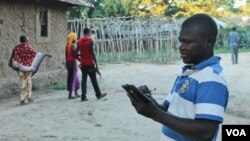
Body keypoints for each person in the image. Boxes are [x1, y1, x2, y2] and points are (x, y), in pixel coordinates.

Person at [126, 13, 229, 141]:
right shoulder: (188, 73)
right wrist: (148, 100)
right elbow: (167, 110)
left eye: (188, 42)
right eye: (181, 41)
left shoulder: (212, 78)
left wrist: (154, 114)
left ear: (208, 42)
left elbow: (206, 132)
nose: (181, 47)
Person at [9, 35, 51, 105]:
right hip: (27, 69)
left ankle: (28, 97)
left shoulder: (16, 47)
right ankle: (23, 100)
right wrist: (43, 55)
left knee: (25, 83)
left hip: (20, 69)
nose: (28, 40)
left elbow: (13, 57)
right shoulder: (28, 46)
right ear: (26, 40)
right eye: (27, 39)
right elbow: (35, 54)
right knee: (27, 83)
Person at [77, 27, 107, 101]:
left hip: (83, 64)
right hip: (90, 64)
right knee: (94, 80)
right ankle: (98, 94)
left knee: (84, 80)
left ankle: (83, 96)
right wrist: (96, 65)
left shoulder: (79, 41)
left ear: (83, 33)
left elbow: (75, 52)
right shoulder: (90, 40)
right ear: (89, 33)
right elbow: (92, 53)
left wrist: (80, 58)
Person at [65, 32, 80, 99]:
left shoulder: (67, 46)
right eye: (75, 38)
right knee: (73, 78)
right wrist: (80, 59)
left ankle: (76, 93)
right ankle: (70, 95)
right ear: (73, 38)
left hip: (68, 62)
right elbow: (75, 55)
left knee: (74, 77)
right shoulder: (73, 45)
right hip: (73, 62)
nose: (76, 39)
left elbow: (66, 56)